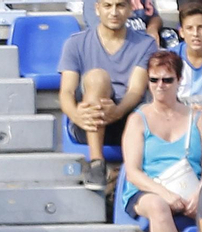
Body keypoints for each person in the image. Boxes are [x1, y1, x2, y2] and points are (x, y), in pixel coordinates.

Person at [124, 51, 202, 232]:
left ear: (179, 81)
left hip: (190, 188)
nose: (160, 86)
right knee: (158, 206)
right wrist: (165, 195)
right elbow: (133, 172)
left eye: (167, 80)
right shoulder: (138, 119)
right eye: (154, 80)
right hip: (148, 190)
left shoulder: (197, 118)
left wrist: (199, 194)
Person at [59, 0, 156, 190]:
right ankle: (97, 163)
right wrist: (77, 115)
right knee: (97, 78)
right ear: (97, 9)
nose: (114, 12)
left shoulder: (146, 44)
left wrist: (118, 111)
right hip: (87, 122)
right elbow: (66, 92)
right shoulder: (75, 43)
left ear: (130, 9)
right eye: (107, 5)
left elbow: (136, 90)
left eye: (120, 6)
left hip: (127, 119)